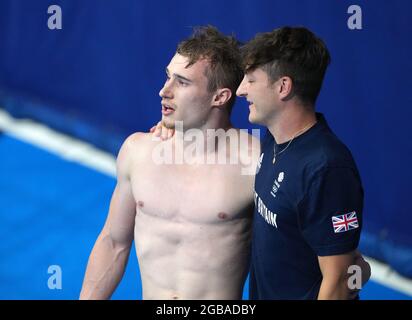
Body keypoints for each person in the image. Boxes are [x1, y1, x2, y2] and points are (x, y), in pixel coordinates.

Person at [79, 26, 261, 300]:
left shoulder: (255, 162)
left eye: (182, 82)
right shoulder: (138, 151)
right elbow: (114, 243)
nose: (164, 91)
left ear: (220, 97)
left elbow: (291, 260)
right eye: (167, 77)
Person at [235, 26, 369, 299]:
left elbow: (341, 282)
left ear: (283, 87)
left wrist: (356, 274)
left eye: (250, 80)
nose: (240, 90)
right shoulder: (274, 141)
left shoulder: (327, 170)